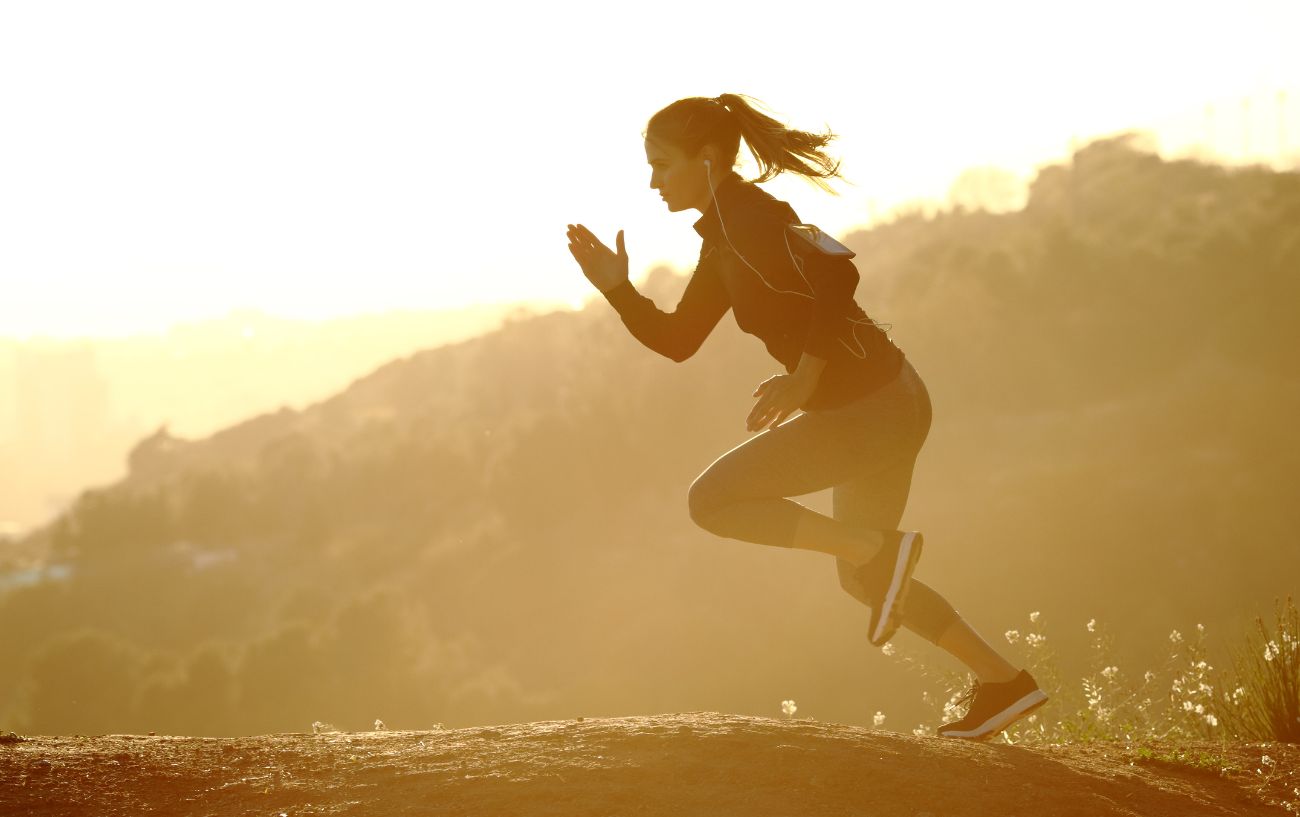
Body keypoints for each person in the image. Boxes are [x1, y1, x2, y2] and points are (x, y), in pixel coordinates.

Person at [564, 93, 1047, 740]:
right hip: (883, 400)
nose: (652, 181)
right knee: (865, 578)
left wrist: (808, 374)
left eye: (662, 164)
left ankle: (878, 549)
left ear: (706, 158)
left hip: (873, 409)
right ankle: (1004, 683)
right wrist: (616, 288)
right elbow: (679, 339)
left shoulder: (755, 216)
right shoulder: (723, 241)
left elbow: (836, 275)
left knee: (712, 500)